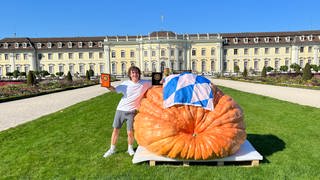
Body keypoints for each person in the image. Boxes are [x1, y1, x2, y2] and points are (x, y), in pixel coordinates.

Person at [103, 66, 152, 158]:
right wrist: (107, 85)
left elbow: (157, 82)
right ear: (130, 74)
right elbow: (114, 89)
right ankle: (112, 149)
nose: (135, 74)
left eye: (136, 72)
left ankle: (130, 148)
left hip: (132, 112)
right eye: (133, 73)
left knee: (130, 132)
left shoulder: (145, 83)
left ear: (139, 74)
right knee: (116, 130)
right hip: (121, 109)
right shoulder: (125, 84)